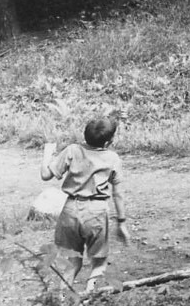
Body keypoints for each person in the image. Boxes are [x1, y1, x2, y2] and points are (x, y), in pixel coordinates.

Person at [41, 114, 128, 295]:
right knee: (99, 263)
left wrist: (47, 155)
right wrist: (121, 222)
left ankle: (62, 304)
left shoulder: (72, 150)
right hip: (96, 211)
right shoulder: (112, 158)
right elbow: (118, 193)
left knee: (71, 263)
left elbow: (45, 175)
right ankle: (89, 298)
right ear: (107, 143)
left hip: (70, 210)